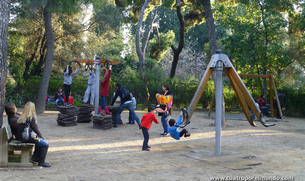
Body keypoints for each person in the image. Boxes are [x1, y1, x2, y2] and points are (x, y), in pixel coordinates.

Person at [16, 102, 51, 167]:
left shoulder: (21, 117)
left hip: (22, 138)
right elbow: (35, 129)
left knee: (38, 141)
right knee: (45, 144)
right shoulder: (30, 118)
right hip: (27, 138)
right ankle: (41, 162)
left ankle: (35, 158)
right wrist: (41, 136)